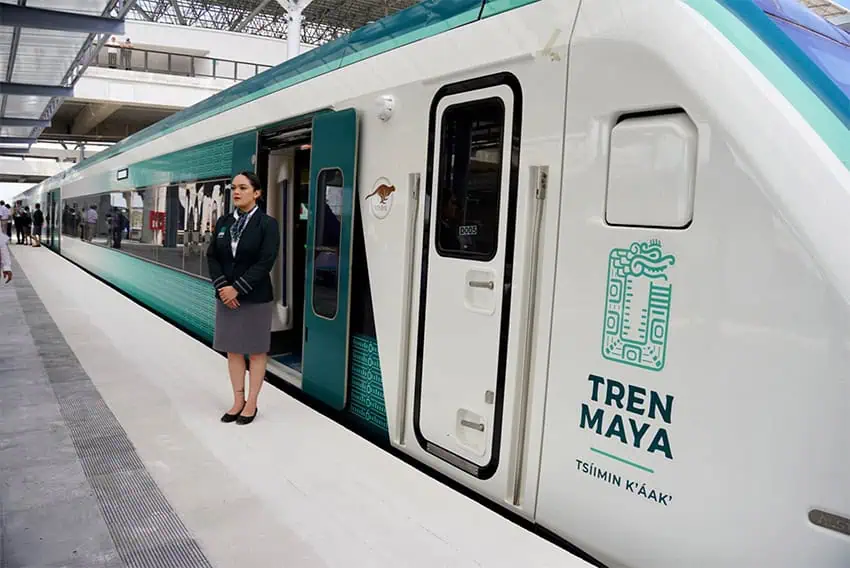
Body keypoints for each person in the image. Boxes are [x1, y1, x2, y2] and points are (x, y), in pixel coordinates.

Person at [206, 172, 279, 425]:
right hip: (226, 297)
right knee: (233, 350)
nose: (236, 192)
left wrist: (238, 288)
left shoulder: (268, 224)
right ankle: (237, 400)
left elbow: (265, 261)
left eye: (243, 188)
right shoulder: (224, 222)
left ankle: (252, 403)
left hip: (255, 297)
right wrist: (223, 287)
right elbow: (212, 256)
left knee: (256, 352)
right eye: (234, 187)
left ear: (256, 193)